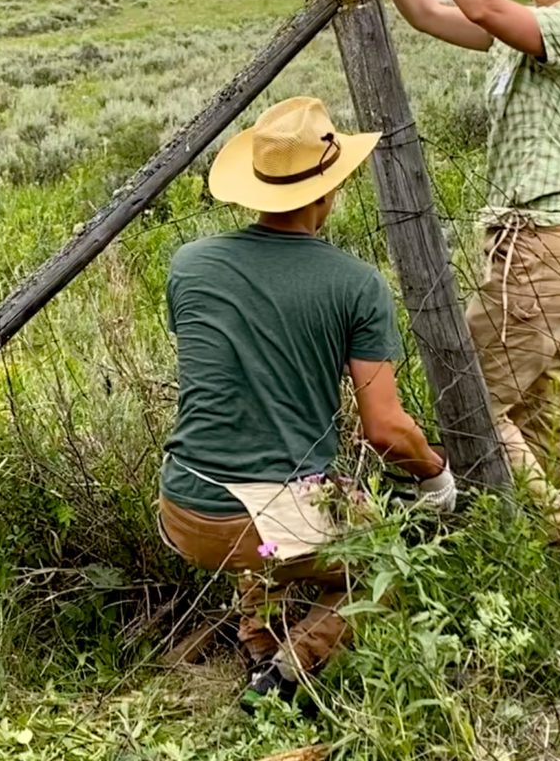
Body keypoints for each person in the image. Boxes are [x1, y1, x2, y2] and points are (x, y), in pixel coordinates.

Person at [158, 95, 456, 710]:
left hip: (183, 507)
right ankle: (290, 671)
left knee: (272, 490)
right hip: (256, 521)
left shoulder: (189, 265)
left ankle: (258, 639)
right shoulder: (355, 284)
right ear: (329, 190)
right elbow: (386, 430)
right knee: (387, 557)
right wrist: (434, 473)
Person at [363, 0, 560, 547]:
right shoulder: (522, 35)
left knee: (469, 401)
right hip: (534, 248)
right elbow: (429, 14)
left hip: (535, 247)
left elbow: (479, 1)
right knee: (543, 405)